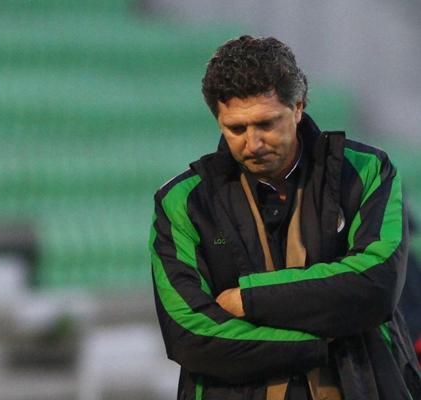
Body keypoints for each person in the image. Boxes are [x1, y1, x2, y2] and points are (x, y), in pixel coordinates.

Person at [149, 35, 421, 400]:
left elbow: (375, 286)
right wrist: (321, 342)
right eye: (236, 129)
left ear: (298, 108)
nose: (253, 143)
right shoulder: (183, 200)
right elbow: (190, 334)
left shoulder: (365, 170)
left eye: (266, 124)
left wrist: (248, 299)